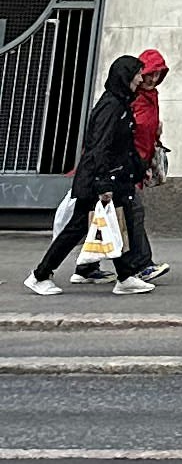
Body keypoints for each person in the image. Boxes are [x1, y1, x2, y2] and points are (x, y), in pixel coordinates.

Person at [25, 51, 169, 293]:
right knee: (77, 229)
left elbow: (125, 147)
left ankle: (125, 277)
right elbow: (99, 147)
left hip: (117, 177)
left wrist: (136, 170)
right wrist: (103, 184)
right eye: (136, 75)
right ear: (125, 78)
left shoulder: (122, 104)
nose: (139, 80)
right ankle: (40, 275)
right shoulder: (111, 107)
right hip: (102, 180)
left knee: (120, 223)